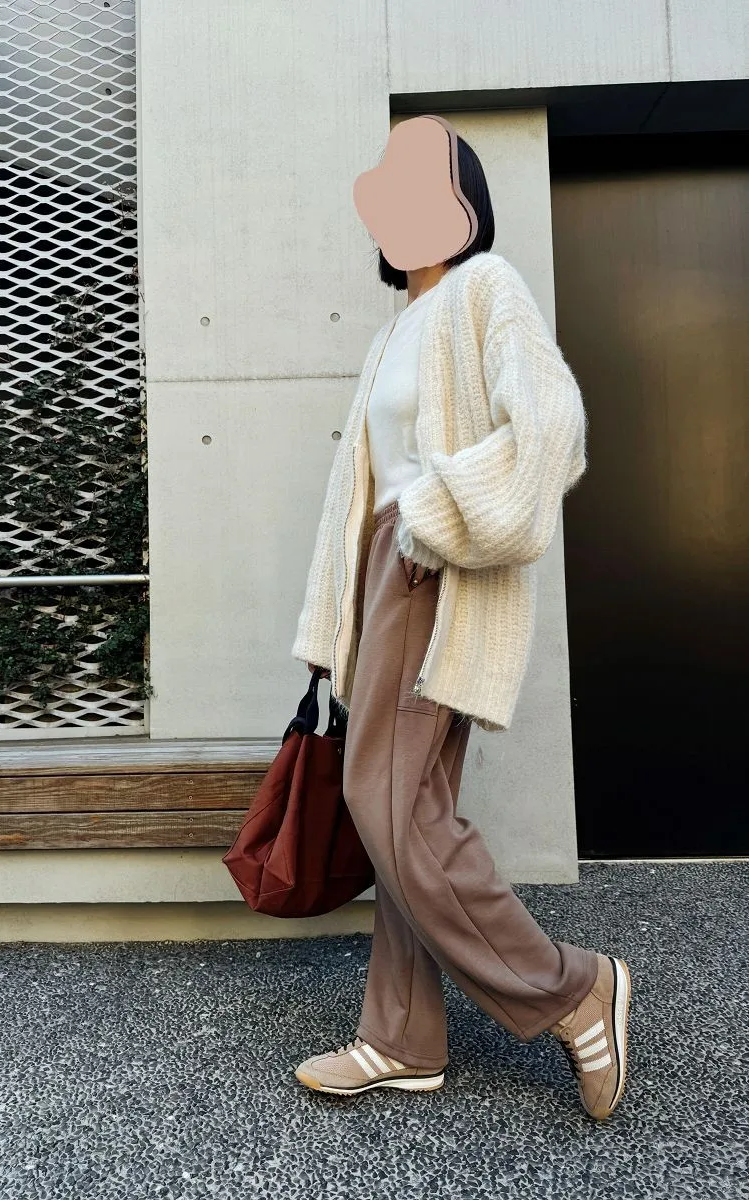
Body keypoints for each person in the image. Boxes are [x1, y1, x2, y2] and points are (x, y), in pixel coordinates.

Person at [289, 129, 631, 1121]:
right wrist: (341, 615)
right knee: (405, 809)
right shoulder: (395, 328)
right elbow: (361, 490)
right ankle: (402, 1037)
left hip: (429, 568)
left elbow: (551, 430)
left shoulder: (488, 289)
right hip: (385, 576)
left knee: (389, 806)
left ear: (463, 202)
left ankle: (572, 988)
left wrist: (436, 519)